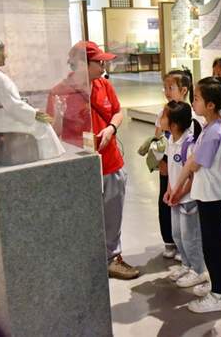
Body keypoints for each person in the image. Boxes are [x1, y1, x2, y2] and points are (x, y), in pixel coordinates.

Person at [170, 77, 221, 313]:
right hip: (212, 195)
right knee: (218, 242)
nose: (194, 102)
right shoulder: (211, 126)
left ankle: (219, 293)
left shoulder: (213, 131)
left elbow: (195, 163)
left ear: (210, 104)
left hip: (212, 197)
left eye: (197, 98)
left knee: (213, 245)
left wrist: (178, 186)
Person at [70, 41, 139, 280]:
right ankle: (87, 259)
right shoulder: (63, 92)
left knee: (113, 212)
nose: (103, 66)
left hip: (110, 161)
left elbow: (118, 112)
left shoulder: (104, 85)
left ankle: (112, 258)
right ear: (82, 64)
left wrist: (111, 128)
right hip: (81, 166)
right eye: (98, 62)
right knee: (84, 214)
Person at [0, 34, 64, 162]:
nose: (6, 55)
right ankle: (50, 159)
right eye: (3, 52)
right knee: (43, 126)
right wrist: (35, 114)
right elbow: (12, 105)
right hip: (6, 120)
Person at [160, 101, 208, 289]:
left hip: (188, 200)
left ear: (174, 124)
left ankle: (199, 270)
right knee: (177, 235)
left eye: (164, 116)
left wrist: (180, 193)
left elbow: (193, 177)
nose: (160, 118)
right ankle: (187, 265)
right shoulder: (170, 139)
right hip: (176, 197)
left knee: (191, 238)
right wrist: (169, 190)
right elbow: (173, 170)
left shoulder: (189, 144)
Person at [156, 69, 196, 260]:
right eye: (164, 87)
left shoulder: (191, 118)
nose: (166, 92)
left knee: (184, 210)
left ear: (184, 90)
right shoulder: (163, 112)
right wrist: (158, 159)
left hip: (184, 171)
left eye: (170, 87)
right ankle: (170, 241)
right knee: (165, 203)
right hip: (167, 167)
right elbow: (157, 138)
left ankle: (188, 253)